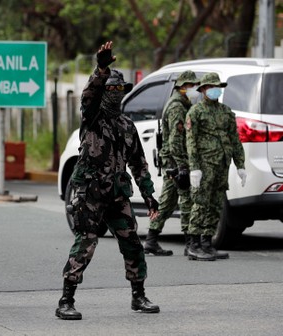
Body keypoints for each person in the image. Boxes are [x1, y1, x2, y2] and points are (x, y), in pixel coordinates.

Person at [56, 41, 160, 321]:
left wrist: (149, 195)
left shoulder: (127, 126)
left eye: (119, 90)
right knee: (86, 243)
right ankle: (66, 299)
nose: (114, 94)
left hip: (116, 192)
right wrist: (101, 69)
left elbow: (139, 163)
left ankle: (138, 296)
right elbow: (89, 95)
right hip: (89, 192)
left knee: (132, 243)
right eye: (110, 89)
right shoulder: (92, 118)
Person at [185, 72, 246, 261]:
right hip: (204, 165)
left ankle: (207, 243)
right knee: (201, 203)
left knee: (215, 204)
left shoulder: (226, 112)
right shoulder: (195, 112)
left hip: (221, 165)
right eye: (210, 86)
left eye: (216, 86)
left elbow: (234, 140)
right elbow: (191, 141)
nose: (214, 90)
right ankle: (193, 244)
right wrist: (194, 167)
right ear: (203, 89)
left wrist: (240, 164)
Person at [144, 70, 200, 256]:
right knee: (186, 200)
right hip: (177, 161)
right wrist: (182, 166)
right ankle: (190, 243)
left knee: (167, 202)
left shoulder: (182, 103)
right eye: (192, 86)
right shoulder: (177, 107)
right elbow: (176, 140)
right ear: (182, 87)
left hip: (171, 161)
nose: (195, 89)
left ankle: (151, 241)